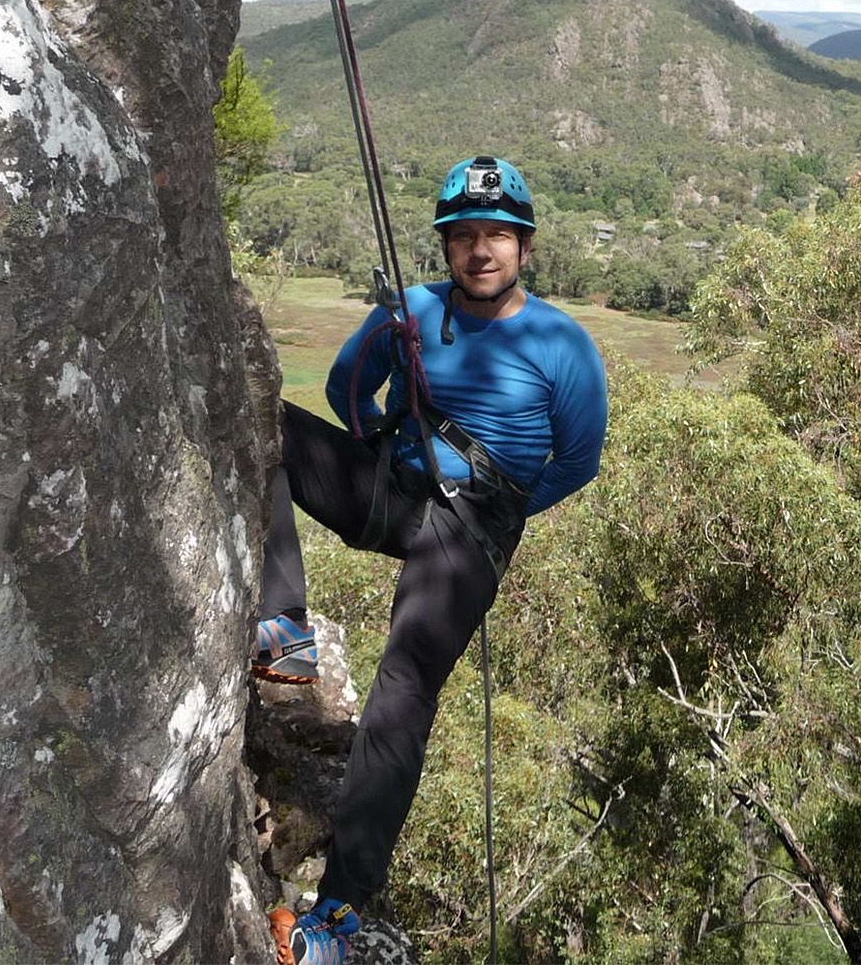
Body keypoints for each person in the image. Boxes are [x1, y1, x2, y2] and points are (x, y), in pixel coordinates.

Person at [253, 156, 609, 965]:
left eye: (497, 237)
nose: (480, 251)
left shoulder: (563, 345)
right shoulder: (411, 313)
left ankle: (336, 913)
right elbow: (349, 388)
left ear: (523, 248)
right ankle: (285, 630)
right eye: (465, 238)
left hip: (471, 529)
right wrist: (387, 434)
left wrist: (497, 514)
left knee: (401, 694)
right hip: (398, 487)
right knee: (258, 419)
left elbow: (576, 460)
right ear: (447, 247)